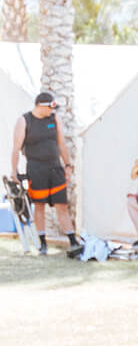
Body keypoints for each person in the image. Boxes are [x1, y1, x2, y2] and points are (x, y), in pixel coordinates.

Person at [9, 90, 79, 256]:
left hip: (55, 168)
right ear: (40, 106)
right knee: (39, 206)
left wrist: (68, 166)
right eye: (50, 107)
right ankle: (42, 243)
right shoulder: (24, 120)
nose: (52, 111)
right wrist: (14, 172)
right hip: (36, 169)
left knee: (62, 205)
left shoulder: (54, 119)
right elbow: (16, 149)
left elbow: (61, 143)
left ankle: (73, 241)